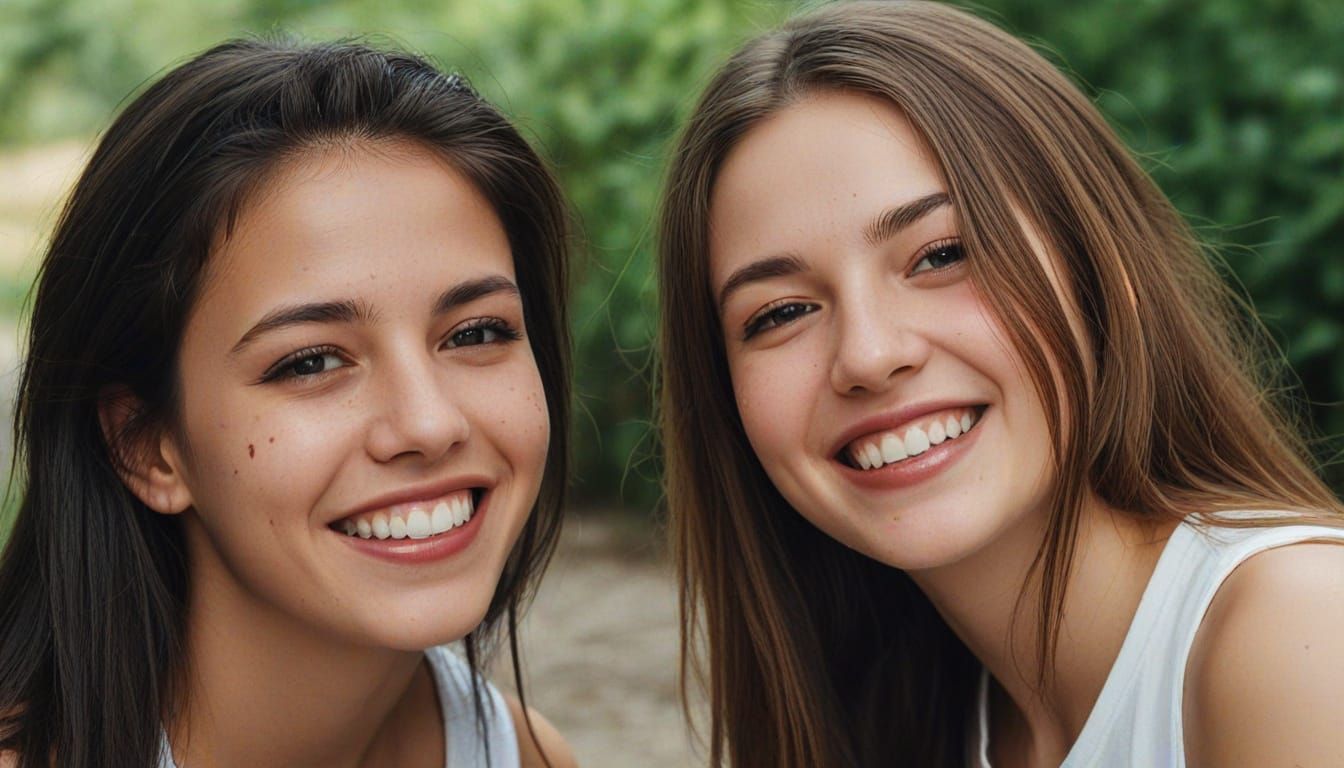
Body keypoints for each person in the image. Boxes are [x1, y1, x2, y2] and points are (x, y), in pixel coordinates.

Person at [657, 2, 1344, 766]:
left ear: (1102, 271)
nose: (869, 354)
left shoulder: (1301, 634)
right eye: (782, 312)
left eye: (942, 254)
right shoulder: (909, 717)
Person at [0, 39, 577, 768]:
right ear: (145, 444)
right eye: (310, 361)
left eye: (476, 332)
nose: (430, 423)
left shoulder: (524, 756)